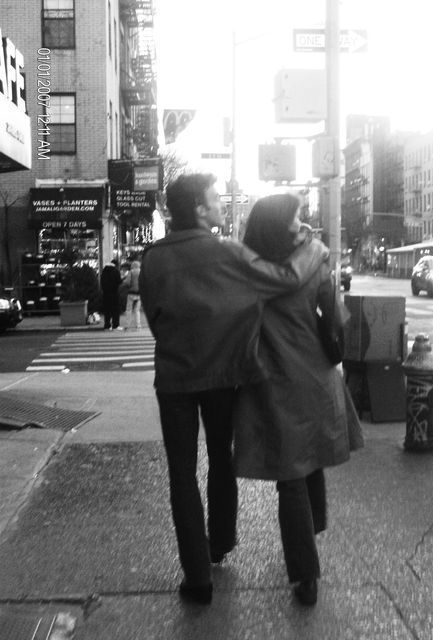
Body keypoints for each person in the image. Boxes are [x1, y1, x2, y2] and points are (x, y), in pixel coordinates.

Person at [139, 173, 328, 605]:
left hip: (174, 378)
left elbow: (154, 316)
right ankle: (220, 540)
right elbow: (284, 278)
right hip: (222, 375)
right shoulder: (226, 252)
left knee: (181, 475)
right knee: (220, 459)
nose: (222, 205)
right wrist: (314, 248)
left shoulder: (153, 258)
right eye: (215, 199)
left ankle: (197, 578)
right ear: (199, 209)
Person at [232, 193, 364, 606]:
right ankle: (313, 528)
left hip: (272, 377)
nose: (300, 223)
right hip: (315, 372)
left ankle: (306, 573)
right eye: (295, 217)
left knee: (290, 474)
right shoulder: (315, 259)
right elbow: (335, 317)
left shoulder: (246, 268)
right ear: (280, 224)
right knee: (311, 458)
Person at [100, 259, 122, 330]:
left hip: (106, 294)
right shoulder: (116, 271)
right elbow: (119, 281)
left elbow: (102, 282)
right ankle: (115, 325)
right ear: (116, 265)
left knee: (107, 310)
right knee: (115, 310)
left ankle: (107, 325)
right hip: (114, 293)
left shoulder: (104, 271)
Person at [123, 260, 141, 330]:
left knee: (129, 309)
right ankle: (138, 325)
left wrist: (125, 282)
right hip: (139, 293)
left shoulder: (131, 272)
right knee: (137, 310)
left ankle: (127, 325)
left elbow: (127, 282)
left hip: (131, 292)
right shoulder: (141, 272)